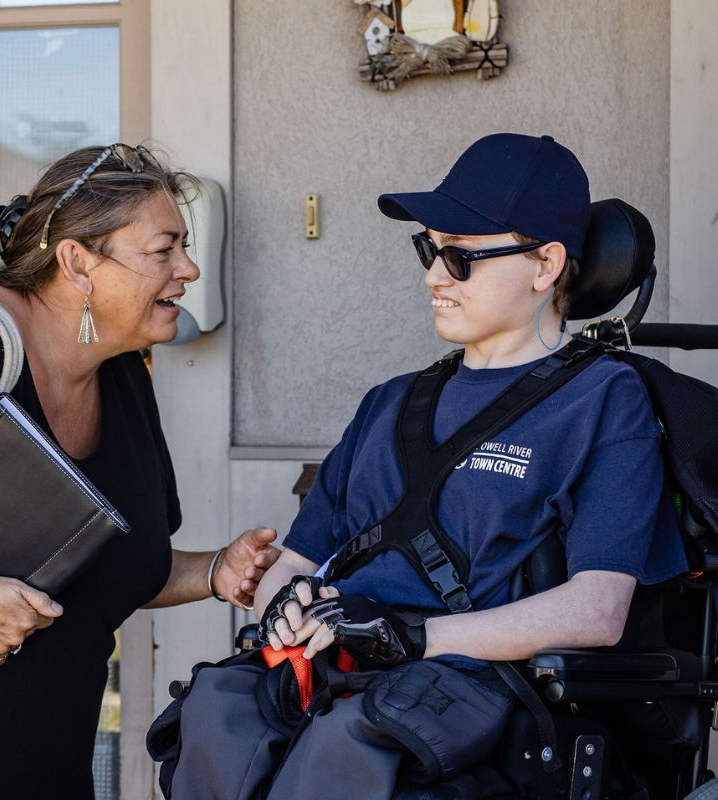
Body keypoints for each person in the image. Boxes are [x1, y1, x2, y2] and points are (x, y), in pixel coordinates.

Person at [167, 133, 688, 799]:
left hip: (473, 700)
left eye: (460, 258)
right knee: (219, 710)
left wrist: (413, 637)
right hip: (342, 676)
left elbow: (598, 609)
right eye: (430, 250)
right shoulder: (392, 404)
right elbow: (298, 561)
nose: (433, 276)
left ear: (547, 264)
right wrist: (285, 607)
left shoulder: (604, 401)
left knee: (351, 751)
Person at [0, 144, 279, 799]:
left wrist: (214, 570)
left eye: (184, 247)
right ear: (78, 262)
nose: (189, 269)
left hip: (46, 766)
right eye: (163, 250)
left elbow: (102, 566)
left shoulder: (123, 374)